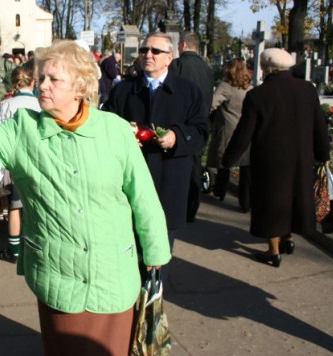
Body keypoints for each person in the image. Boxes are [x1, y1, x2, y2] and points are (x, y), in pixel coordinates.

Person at [0, 40, 171, 355]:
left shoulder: (115, 130)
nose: (43, 86)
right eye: (42, 79)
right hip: (58, 274)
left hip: (112, 273)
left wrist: (156, 253)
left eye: (54, 79)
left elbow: (143, 196)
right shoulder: (23, 131)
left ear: (80, 87)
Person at [102, 33, 209, 282]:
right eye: (144, 49)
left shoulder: (187, 91)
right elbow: (107, 123)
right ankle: (129, 304)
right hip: (129, 182)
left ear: (170, 58)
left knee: (158, 255)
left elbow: (201, 130)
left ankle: (152, 307)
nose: (147, 54)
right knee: (129, 250)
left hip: (168, 180)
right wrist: (124, 133)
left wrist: (177, 137)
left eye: (155, 51)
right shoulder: (124, 90)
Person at [222, 48, 330, 268]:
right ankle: (288, 239)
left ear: (265, 67)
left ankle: (273, 251)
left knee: (271, 204)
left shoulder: (258, 95)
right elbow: (319, 125)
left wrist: (228, 159)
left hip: (270, 159)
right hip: (301, 157)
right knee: (292, 199)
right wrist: (323, 154)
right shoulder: (307, 89)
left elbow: (245, 133)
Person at [0, 65, 41, 263]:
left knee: (15, 207)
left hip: (12, 161)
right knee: (34, 206)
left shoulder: (5, 105)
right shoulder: (39, 104)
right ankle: (35, 247)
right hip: (36, 161)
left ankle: (15, 250)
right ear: (33, 82)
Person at [169, 32, 214, 223]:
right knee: (196, 166)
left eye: (179, 45)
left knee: (179, 167)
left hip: (181, 121)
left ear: (185, 45)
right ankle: (192, 207)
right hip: (201, 120)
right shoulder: (206, 67)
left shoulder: (178, 65)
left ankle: (178, 207)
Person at [206, 59, 252, 211]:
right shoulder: (249, 88)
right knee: (245, 166)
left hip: (228, 128)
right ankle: (246, 201)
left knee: (224, 163)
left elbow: (212, 104)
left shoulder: (225, 87)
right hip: (245, 129)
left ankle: (220, 191)